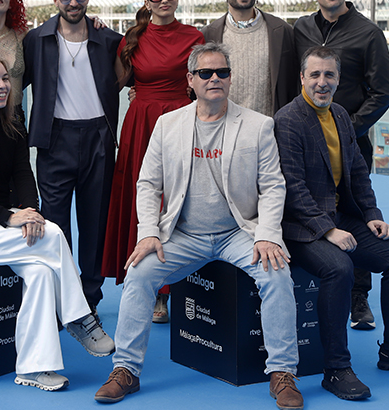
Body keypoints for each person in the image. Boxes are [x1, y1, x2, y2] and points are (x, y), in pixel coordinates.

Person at [94, 42, 302, 410]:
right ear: (190, 80)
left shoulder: (258, 126)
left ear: (231, 79)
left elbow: (273, 186)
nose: (214, 78)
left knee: (277, 274)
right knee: (139, 273)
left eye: (222, 72)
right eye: (205, 73)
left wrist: (268, 235)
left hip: (238, 233)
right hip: (183, 234)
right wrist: (149, 232)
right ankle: (125, 369)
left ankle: (282, 372)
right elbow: (148, 184)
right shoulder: (168, 125)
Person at [273, 46, 389, 401]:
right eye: (315, 75)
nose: (322, 82)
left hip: (341, 217)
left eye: (329, 75)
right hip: (302, 226)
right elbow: (292, 187)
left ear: (339, 79)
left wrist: (372, 216)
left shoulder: (339, 115)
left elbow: (358, 173)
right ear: (302, 77)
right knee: (339, 269)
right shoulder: (288, 120)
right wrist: (327, 230)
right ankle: (335, 369)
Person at [0, 55, 115, 391]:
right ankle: (80, 318)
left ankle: (33, 369)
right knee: (54, 233)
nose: (2, 85)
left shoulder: (13, 127)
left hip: (1, 225)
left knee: (41, 273)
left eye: (5, 78)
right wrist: (9, 217)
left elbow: (23, 175)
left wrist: (31, 211)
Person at [293, 0, 389, 330]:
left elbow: (382, 92)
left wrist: (348, 128)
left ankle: (359, 296)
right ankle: (320, 279)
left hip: (350, 140)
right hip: (306, 140)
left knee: (354, 210)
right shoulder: (301, 29)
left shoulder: (368, 33)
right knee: (311, 203)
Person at [101, 0, 204, 323]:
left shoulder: (194, 37)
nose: (163, 1)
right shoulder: (132, 38)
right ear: (147, 1)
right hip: (141, 123)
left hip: (181, 120)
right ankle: (148, 285)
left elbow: (203, 80)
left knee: (178, 200)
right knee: (143, 200)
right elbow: (117, 81)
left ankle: (173, 289)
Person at [22, 0, 123, 315]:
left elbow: (133, 74)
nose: (73, 3)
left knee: (95, 223)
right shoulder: (36, 40)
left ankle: (90, 298)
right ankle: (61, 297)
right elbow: (14, 80)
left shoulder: (108, 39)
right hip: (54, 139)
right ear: (55, 0)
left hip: (99, 138)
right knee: (55, 224)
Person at [202, 0, 300, 116]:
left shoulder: (282, 31)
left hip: (270, 125)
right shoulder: (209, 35)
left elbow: (293, 83)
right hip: (224, 125)